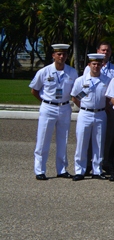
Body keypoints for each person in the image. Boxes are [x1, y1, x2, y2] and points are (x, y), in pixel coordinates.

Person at [29, 44, 78, 180]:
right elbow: (34, 90)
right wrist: (45, 101)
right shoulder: (44, 71)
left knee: (63, 139)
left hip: (64, 107)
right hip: (48, 107)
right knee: (43, 139)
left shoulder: (72, 72)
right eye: (59, 54)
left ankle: (62, 169)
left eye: (64, 54)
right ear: (53, 56)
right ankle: (40, 170)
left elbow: (76, 91)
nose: (61, 57)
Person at [70, 53, 110, 180]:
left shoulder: (106, 80)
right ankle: (79, 171)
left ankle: (97, 170)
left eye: (98, 64)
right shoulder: (81, 80)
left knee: (99, 142)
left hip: (100, 113)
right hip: (85, 113)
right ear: (89, 65)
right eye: (94, 64)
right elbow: (74, 97)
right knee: (82, 142)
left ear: (102, 65)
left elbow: (109, 98)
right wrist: (83, 106)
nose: (96, 66)